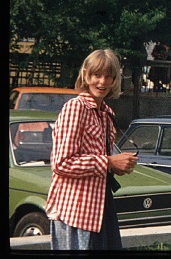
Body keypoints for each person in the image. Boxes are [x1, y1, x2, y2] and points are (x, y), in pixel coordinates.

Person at [46, 49, 139, 251]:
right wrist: (109, 162)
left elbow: (98, 158)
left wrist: (117, 165)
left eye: (108, 76)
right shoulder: (75, 108)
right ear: (86, 75)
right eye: (97, 75)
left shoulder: (107, 113)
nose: (102, 82)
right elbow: (61, 163)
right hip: (75, 212)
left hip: (100, 207)